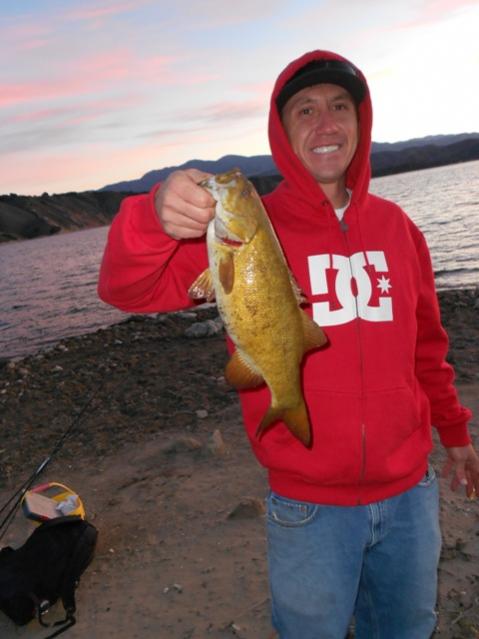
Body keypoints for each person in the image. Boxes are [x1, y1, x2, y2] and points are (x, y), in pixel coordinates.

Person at [98, 50, 479, 639]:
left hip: (411, 495)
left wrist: (454, 435)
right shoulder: (240, 229)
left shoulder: (401, 229)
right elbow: (127, 287)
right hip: (309, 508)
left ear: (361, 121)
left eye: (338, 107)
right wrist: (153, 216)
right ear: (282, 132)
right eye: (305, 110)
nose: (324, 124)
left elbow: (428, 346)